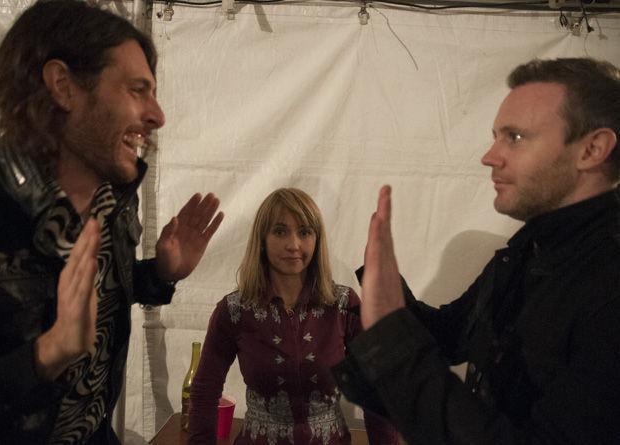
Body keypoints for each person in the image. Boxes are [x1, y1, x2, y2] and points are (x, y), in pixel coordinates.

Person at [0, 1, 223, 444]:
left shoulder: (112, 204)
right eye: (138, 90)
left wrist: (157, 274)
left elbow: (92, 295)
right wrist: (47, 355)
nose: (158, 115)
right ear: (63, 86)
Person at [332, 57, 620, 444]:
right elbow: (451, 335)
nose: (490, 156)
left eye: (514, 137)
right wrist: (385, 295)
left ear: (592, 149)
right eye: (496, 135)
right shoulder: (527, 250)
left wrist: (390, 330)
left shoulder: (608, 280)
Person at [187, 188, 397, 444]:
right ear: (262, 240)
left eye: (305, 232)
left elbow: (376, 392)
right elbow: (204, 393)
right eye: (280, 231)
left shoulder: (343, 305)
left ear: (317, 239)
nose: (293, 245)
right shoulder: (234, 311)